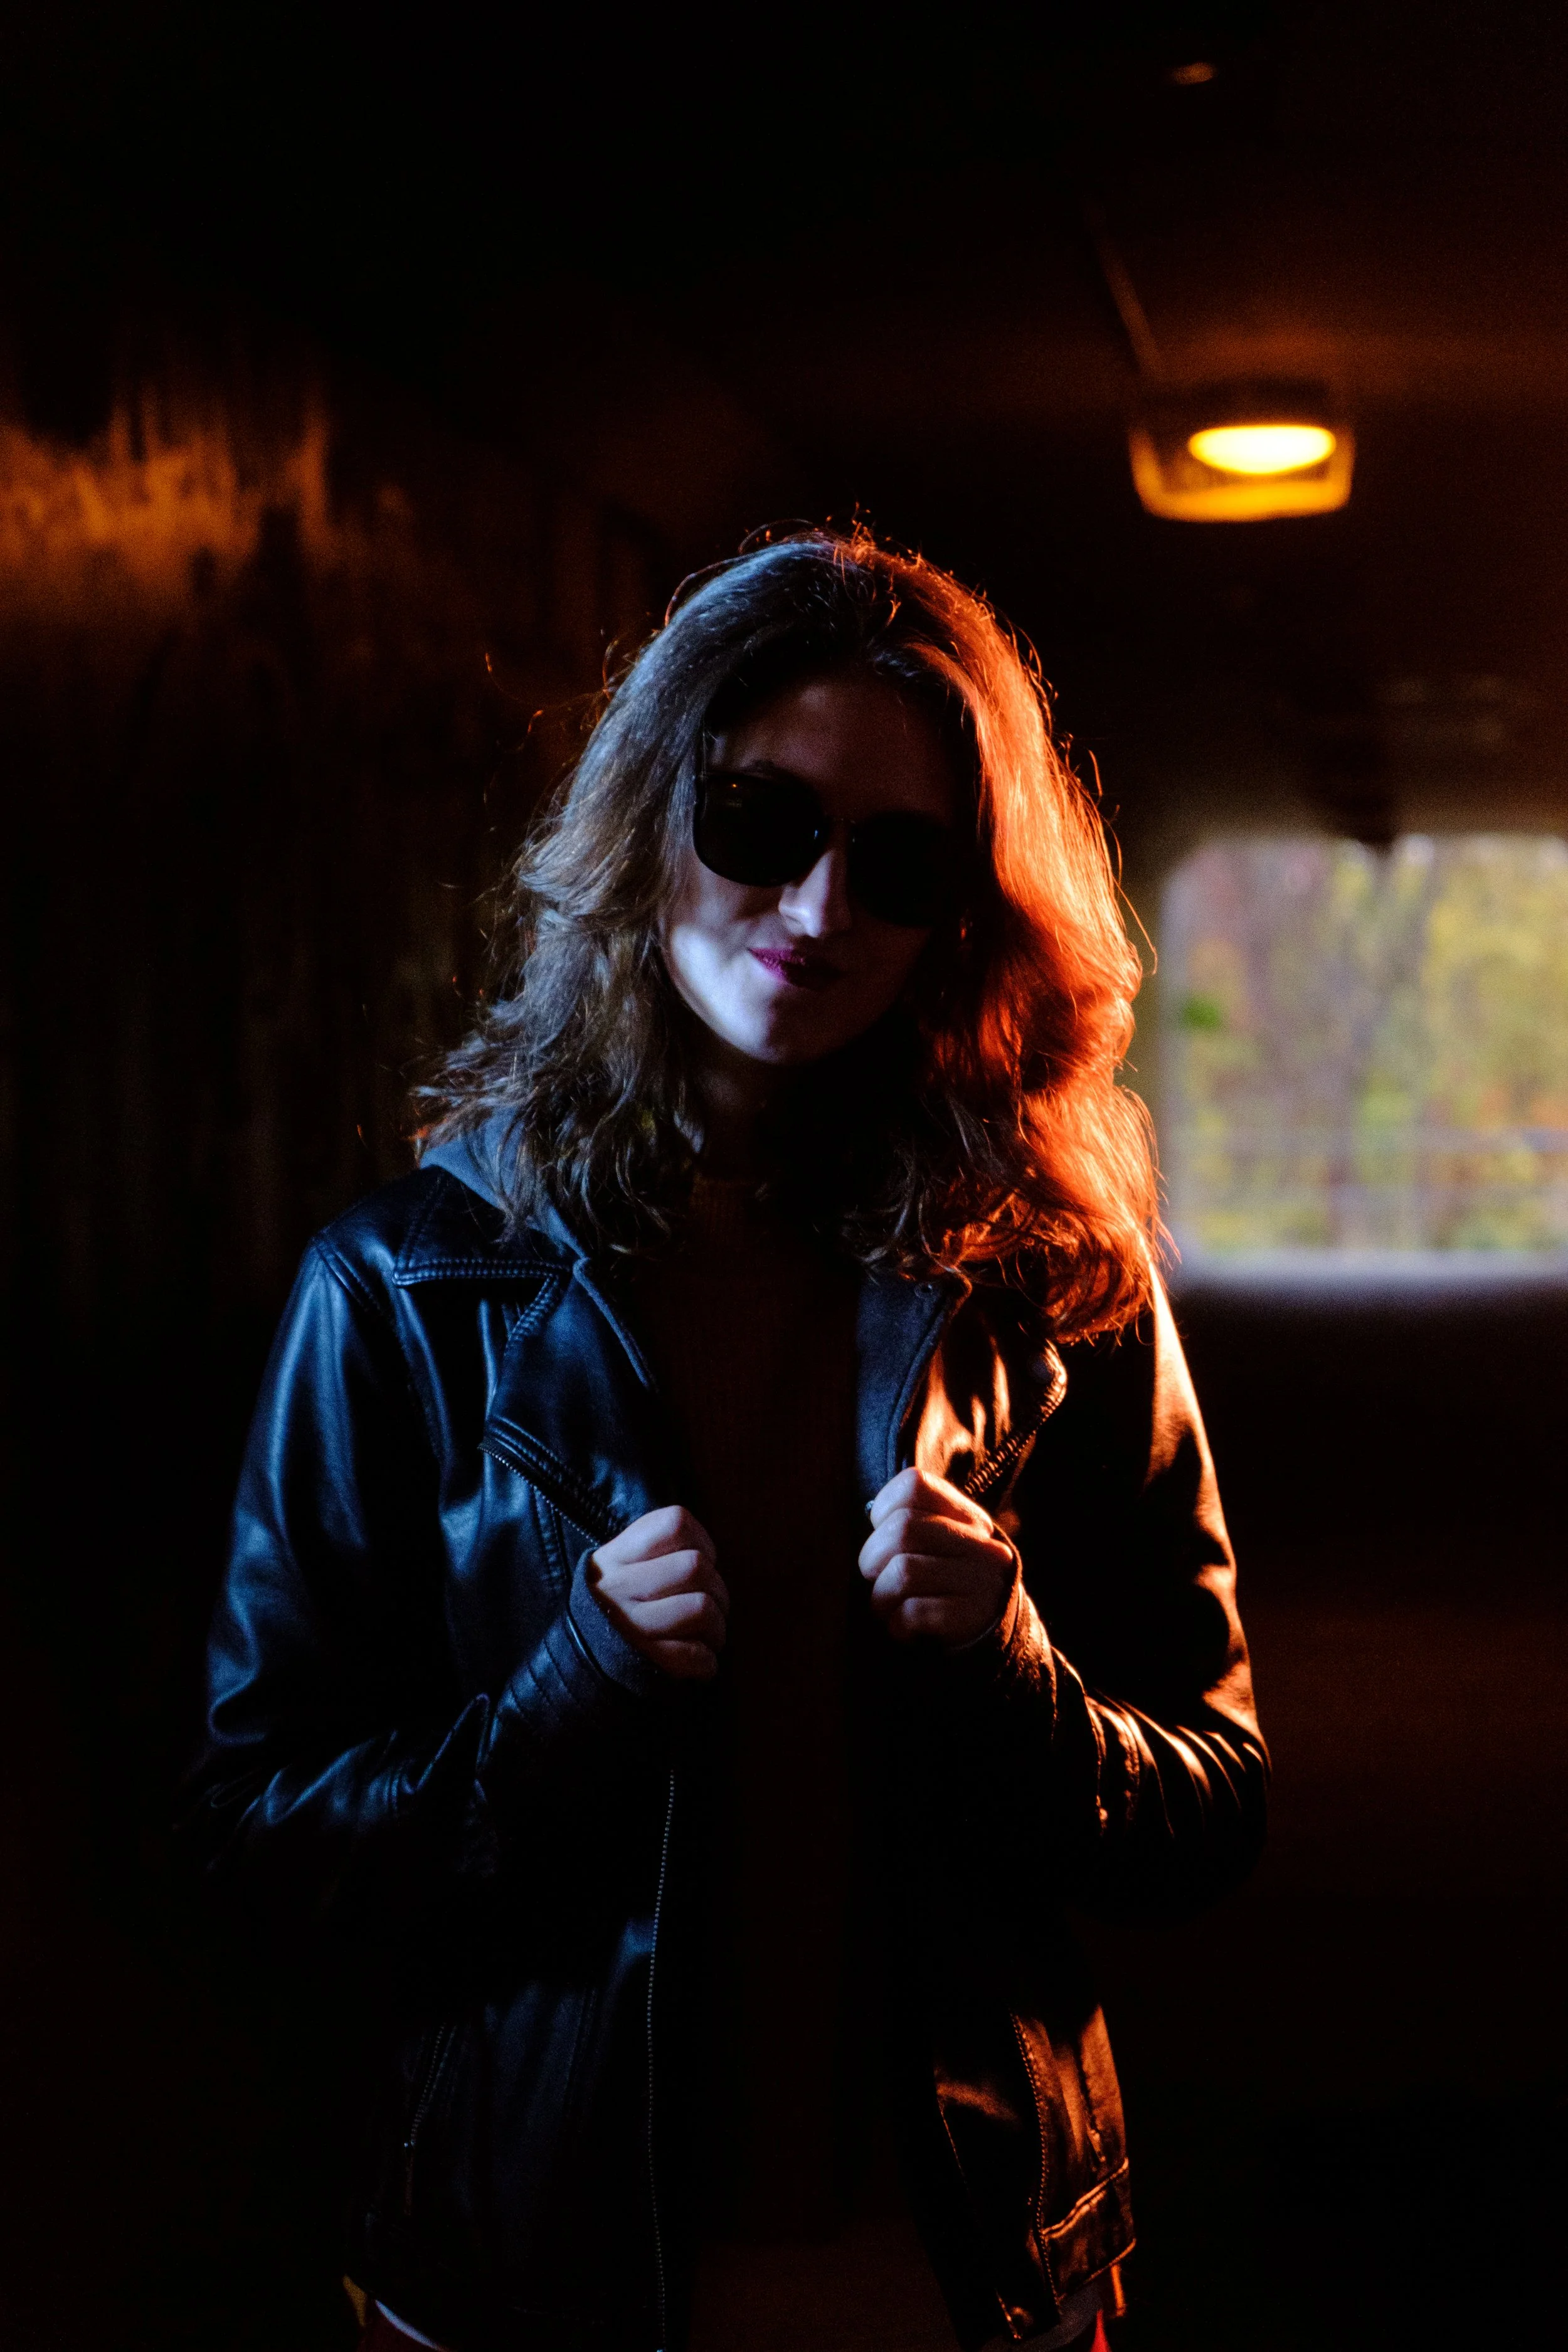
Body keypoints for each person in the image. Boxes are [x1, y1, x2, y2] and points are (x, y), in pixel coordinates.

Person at [188, 526, 1267, 2352]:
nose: (820, 907)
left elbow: (1206, 1808)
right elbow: (263, 1838)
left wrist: (1011, 1669)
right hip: (542, 2267)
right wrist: (571, 1693)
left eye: (901, 860)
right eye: (762, 821)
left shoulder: (1054, 1287)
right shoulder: (408, 1290)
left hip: (962, 2268)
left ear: (965, 911)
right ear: (646, 822)